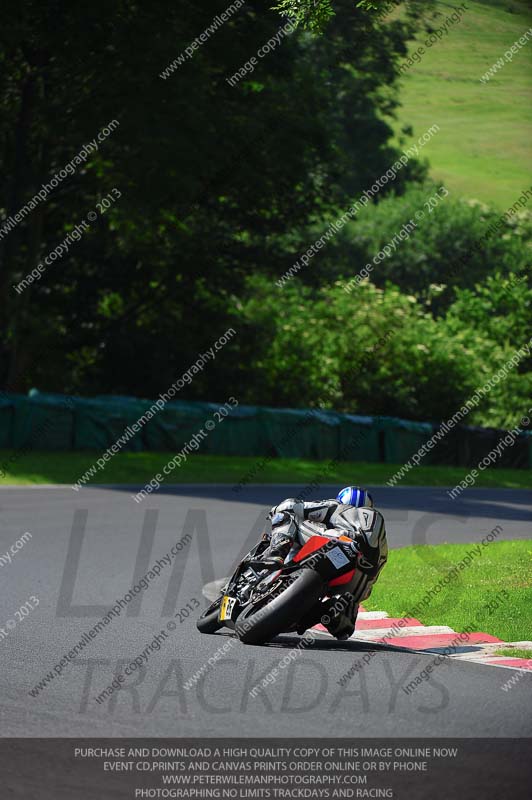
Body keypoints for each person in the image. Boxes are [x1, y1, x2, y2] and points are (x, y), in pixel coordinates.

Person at [258, 486, 388, 640]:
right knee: (345, 613)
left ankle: (276, 554)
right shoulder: (382, 537)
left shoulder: (338, 507)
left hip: (338, 543)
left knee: (288, 516)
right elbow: (372, 579)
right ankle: (335, 613)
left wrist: (277, 511)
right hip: (357, 581)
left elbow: (295, 506)